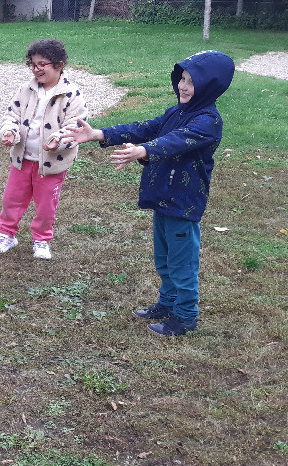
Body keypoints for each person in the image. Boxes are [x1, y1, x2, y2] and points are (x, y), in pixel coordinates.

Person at [66, 50, 235, 337]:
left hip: (183, 203)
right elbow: (145, 128)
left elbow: (175, 141)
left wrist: (144, 150)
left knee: (182, 264)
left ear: (209, 86)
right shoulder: (176, 112)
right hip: (163, 198)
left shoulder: (208, 121)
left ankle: (185, 317)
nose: (183, 86)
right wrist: (99, 134)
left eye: (192, 81)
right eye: (182, 78)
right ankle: (167, 303)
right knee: (164, 259)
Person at [0, 38, 89, 260]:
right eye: (32, 64)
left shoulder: (71, 94)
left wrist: (57, 140)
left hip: (52, 164)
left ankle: (42, 240)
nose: (36, 69)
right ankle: (6, 234)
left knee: (46, 206)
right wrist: (10, 132)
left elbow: (75, 125)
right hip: (22, 159)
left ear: (59, 65)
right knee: (11, 200)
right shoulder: (26, 89)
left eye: (42, 64)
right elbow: (12, 115)